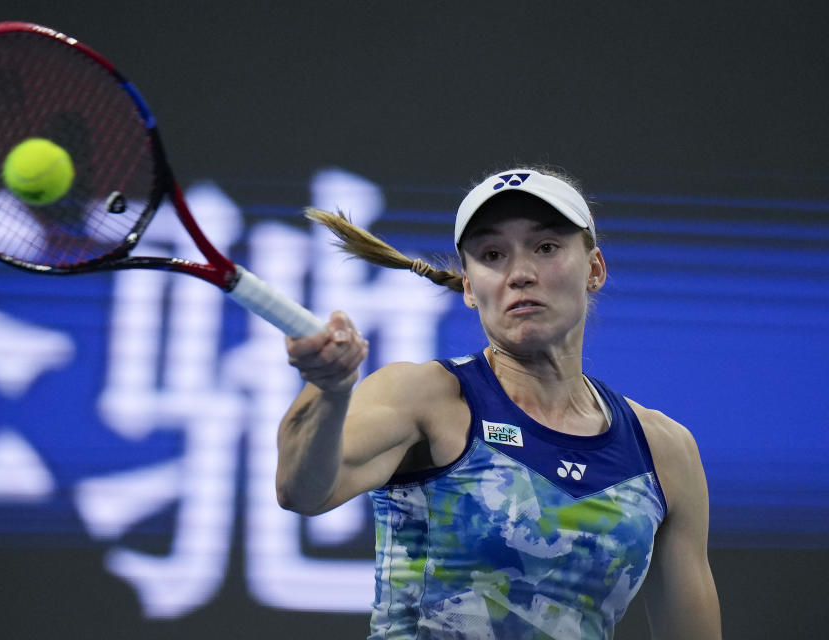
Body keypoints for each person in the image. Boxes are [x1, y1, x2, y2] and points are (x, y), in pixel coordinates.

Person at [276, 168, 722, 639]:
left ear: (594, 269)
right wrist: (330, 389)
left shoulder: (663, 450)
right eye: (492, 255)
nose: (520, 274)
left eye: (546, 247)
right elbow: (302, 490)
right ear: (470, 287)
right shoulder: (424, 398)